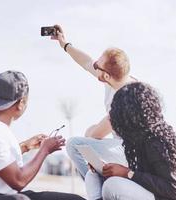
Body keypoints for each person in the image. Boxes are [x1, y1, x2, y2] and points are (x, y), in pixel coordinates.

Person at [0, 71, 85, 200]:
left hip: (9, 195)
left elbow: (0, 158)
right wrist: (44, 150)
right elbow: (18, 181)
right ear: (21, 103)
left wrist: (25, 146)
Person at [51, 25, 137, 179]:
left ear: (106, 76)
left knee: (75, 144)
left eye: (98, 66)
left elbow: (97, 133)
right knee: (88, 138)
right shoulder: (117, 80)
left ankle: (96, 190)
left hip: (132, 153)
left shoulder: (126, 98)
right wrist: (64, 44)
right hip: (121, 146)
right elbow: (86, 62)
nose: (94, 65)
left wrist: (89, 133)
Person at [86, 82, 176, 200]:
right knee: (92, 175)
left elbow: (174, 190)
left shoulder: (157, 142)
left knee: (112, 186)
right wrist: (107, 168)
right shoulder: (138, 138)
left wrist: (128, 173)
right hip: (151, 192)